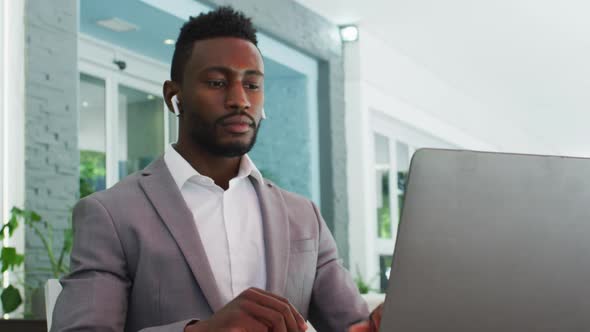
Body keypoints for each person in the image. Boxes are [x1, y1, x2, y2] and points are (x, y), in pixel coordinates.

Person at [51, 6, 382, 332]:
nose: (239, 99)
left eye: (252, 85)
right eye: (217, 83)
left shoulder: (304, 216)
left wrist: (387, 320)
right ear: (173, 97)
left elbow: (353, 325)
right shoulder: (111, 215)